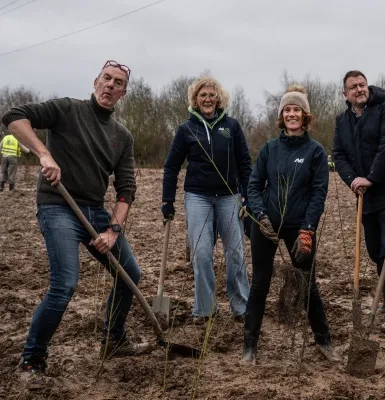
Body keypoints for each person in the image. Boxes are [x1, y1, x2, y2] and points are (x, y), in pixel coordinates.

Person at [1, 60, 146, 377]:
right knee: (65, 283)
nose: (110, 85)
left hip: (94, 211)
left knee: (130, 275)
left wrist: (113, 231)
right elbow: (12, 118)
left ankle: (113, 340)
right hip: (58, 206)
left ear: (123, 93)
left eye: (118, 82)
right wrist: (43, 153)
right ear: (96, 81)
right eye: (106, 78)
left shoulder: (122, 136)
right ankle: (32, 358)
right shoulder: (67, 109)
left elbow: (126, 189)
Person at [243, 85, 340, 363]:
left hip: (300, 228)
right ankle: (249, 346)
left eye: (296, 109)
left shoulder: (316, 152)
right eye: (287, 109)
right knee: (259, 284)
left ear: (305, 115)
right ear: (281, 116)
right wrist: (260, 216)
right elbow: (253, 186)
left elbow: (318, 193)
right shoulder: (270, 149)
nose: (292, 114)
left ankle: (324, 342)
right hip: (266, 227)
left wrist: (308, 229)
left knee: (307, 284)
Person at [162, 76, 252, 324]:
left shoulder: (231, 127)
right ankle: (205, 309)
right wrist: (167, 200)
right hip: (198, 197)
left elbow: (245, 162)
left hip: (229, 196)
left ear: (219, 98)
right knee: (201, 253)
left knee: (235, 253)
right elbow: (171, 167)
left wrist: (248, 195)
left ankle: (242, 307)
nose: (208, 98)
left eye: (212, 94)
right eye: (203, 95)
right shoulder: (185, 129)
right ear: (195, 100)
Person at [332, 70, 385, 333]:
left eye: (362, 85)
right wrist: (353, 180)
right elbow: (338, 154)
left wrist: (371, 178)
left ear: (368, 87)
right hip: (364, 194)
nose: (359, 89)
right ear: (345, 94)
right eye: (353, 87)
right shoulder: (342, 121)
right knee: (376, 249)